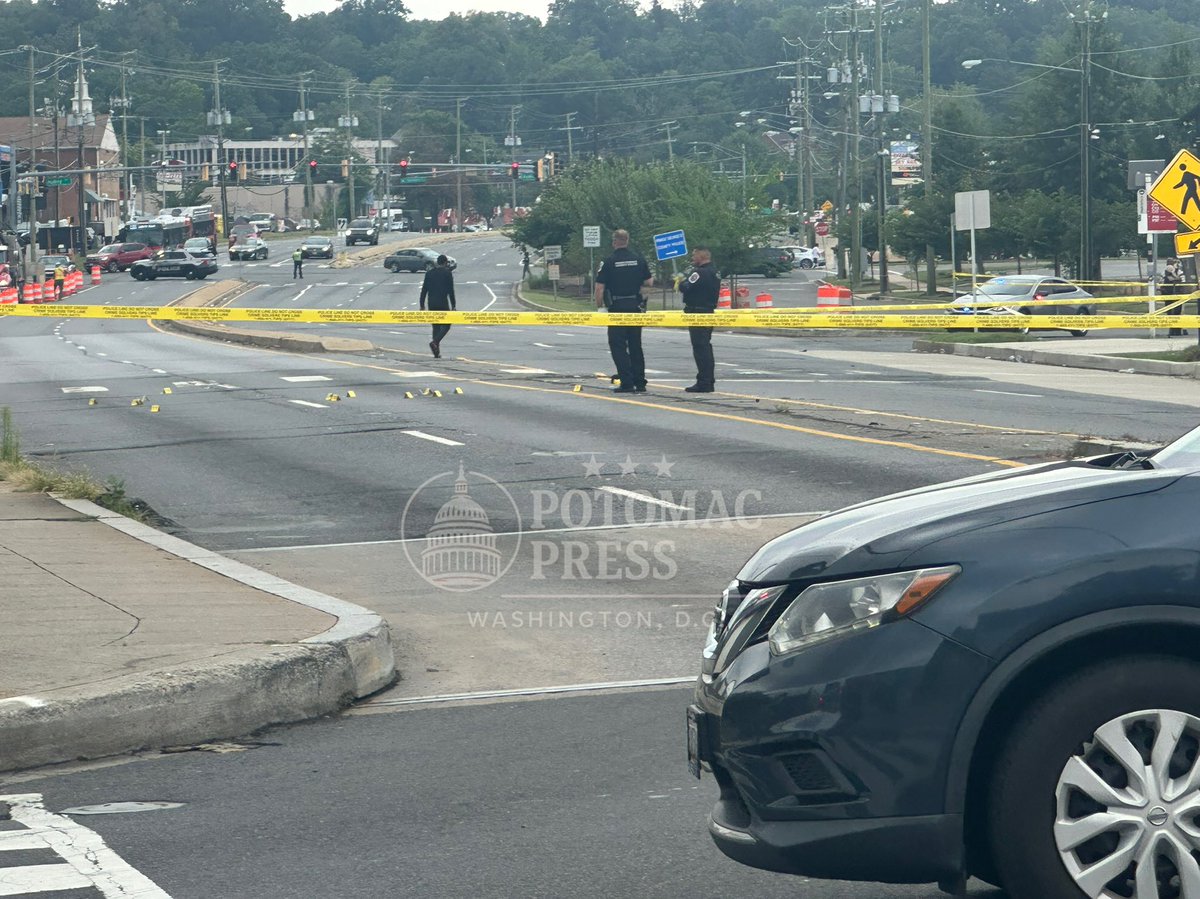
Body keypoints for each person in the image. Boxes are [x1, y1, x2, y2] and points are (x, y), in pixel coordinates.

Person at [594, 229, 652, 394]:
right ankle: (640, 382)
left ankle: (626, 382)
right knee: (635, 345)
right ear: (627, 240)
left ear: (614, 242)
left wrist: (600, 306)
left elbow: (599, 288)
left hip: (617, 307)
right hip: (635, 306)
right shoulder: (639, 260)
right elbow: (649, 281)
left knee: (618, 345)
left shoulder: (609, 261)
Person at [678, 247, 721, 392]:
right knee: (705, 346)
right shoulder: (715, 271)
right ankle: (708, 380)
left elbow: (686, 287)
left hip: (697, 312)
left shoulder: (699, 272)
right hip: (708, 310)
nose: (692, 258)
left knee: (700, 348)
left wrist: (680, 281)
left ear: (701, 256)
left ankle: (704, 382)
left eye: (694, 255)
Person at [420, 254, 456, 358]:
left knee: (435, 326)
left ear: (437, 262)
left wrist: (422, 304)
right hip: (443, 303)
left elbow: (424, 290)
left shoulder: (429, 273)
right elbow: (451, 291)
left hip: (432, 303)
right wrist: (453, 305)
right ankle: (435, 342)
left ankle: (436, 352)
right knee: (447, 325)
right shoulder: (447, 273)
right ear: (445, 263)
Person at [1163, 257, 1187, 336]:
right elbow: (1162, 282)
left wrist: (1173, 273)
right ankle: (1171, 330)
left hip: (1177, 294)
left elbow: (1183, 282)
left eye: (1171, 263)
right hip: (1168, 294)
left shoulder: (1179, 272)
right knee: (1169, 312)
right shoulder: (1164, 272)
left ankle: (1178, 331)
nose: (1169, 265)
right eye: (1168, 263)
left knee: (1177, 312)